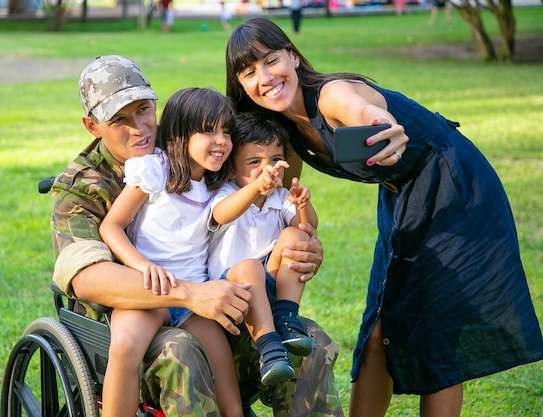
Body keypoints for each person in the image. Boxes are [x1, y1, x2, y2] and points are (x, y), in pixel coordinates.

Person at [225, 17, 543, 417]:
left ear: (293, 55)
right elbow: (285, 208)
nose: (266, 77)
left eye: (272, 60)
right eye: (250, 72)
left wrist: (383, 126)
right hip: (402, 198)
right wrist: (305, 243)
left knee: (438, 335)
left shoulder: (329, 96)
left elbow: (364, 111)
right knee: (378, 329)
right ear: (241, 86)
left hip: (453, 189)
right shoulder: (282, 133)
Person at [51, 54, 345, 417]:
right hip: (139, 318)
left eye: (144, 110)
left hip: (217, 298)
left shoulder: (196, 150)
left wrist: (301, 244)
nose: (139, 128)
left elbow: (267, 169)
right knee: (184, 350)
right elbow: (88, 279)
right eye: (119, 120)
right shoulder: (83, 188)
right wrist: (190, 293)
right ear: (93, 126)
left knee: (308, 341)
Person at [98, 87, 296, 416]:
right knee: (125, 346)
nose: (220, 141)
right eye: (208, 130)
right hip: (149, 290)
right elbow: (111, 226)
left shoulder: (218, 185)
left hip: (196, 296)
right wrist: (142, 265)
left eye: (226, 132)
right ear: (180, 133)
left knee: (225, 382)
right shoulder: (155, 170)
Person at [209, 111, 318, 358]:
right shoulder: (225, 193)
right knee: (249, 267)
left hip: (271, 284)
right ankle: (268, 343)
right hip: (232, 288)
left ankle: (286, 317)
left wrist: (302, 204)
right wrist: (256, 188)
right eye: (255, 162)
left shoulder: (280, 198)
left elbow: (308, 228)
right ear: (231, 170)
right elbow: (222, 215)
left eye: (275, 159)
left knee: (296, 237)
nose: (268, 169)